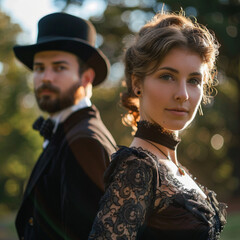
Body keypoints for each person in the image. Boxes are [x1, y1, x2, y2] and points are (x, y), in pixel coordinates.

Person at [89, 11, 227, 240]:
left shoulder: (170, 165)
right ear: (137, 84)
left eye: (194, 80)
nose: (183, 95)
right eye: (167, 76)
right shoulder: (137, 168)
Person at [13, 12, 116, 240]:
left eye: (59, 67)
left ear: (86, 78)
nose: (45, 77)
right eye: (39, 68)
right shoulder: (68, 131)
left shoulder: (84, 141)